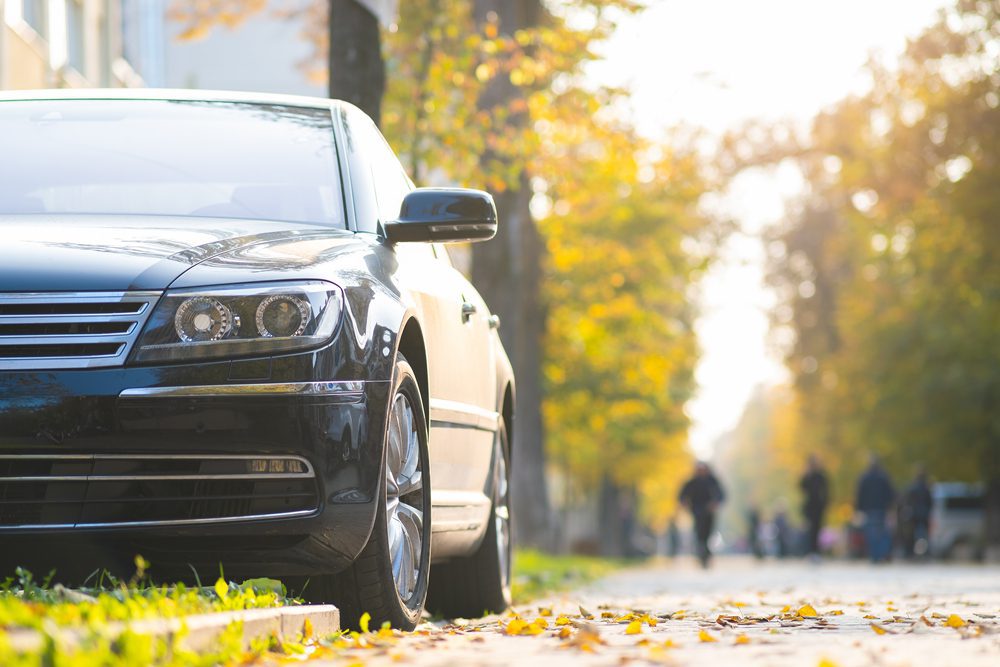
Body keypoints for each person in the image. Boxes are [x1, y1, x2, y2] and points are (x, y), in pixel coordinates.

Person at [678, 461, 725, 568]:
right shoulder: (692, 482)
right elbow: (682, 495)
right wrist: (684, 502)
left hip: (709, 513)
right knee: (699, 534)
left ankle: (706, 554)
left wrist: (715, 503)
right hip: (696, 511)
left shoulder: (712, 481)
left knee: (708, 533)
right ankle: (701, 554)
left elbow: (721, 495)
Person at [855, 454, 896, 562]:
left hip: (869, 509)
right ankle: (883, 553)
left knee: (871, 533)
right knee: (882, 532)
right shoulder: (884, 477)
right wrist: (890, 507)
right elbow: (890, 494)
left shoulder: (864, 477)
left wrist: (858, 509)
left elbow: (860, 494)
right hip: (881, 509)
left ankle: (874, 556)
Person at [799, 455, 830, 559]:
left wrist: (825, 504)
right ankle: (811, 551)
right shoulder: (807, 476)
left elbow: (826, 491)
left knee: (817, 529)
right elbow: (801, 487)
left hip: (818, 507)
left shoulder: (820, 476)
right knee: (810, 530)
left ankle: (816, 551)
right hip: (809, 508)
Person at [900, 465, 932, 558]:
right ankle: (925, 552)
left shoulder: (912, 488)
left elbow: (907, 501)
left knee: (911, 534)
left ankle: (910, 552)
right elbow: (930, 502)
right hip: (924, 514)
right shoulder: (926, 488)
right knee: (924, 534)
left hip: (914, 515)